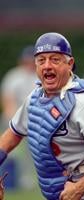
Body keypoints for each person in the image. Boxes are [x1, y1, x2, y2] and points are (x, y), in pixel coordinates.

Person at [0, 32, 84, 200]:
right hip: (59, 186)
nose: (47, 65)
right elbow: (13, 133)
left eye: (55, 59)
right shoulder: (35, 98)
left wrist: (80, 187)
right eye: (41, 60)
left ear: (70, 64)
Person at [0, 45, 37, 190]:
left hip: (32, 121)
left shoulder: (38, 77)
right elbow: (7, 100)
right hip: (13, 119)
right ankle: (8, 179)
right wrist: (14, 119)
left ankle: (26, 179)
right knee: (10, 152)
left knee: (31, 153)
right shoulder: (14, 75)